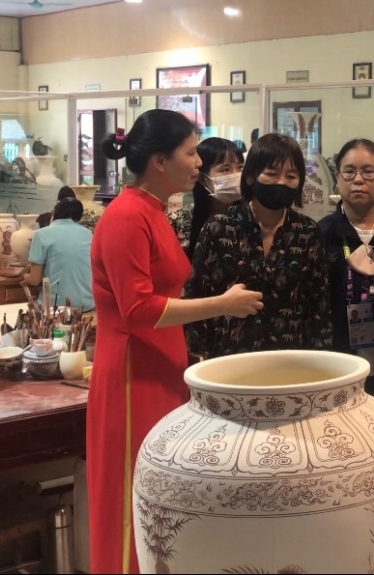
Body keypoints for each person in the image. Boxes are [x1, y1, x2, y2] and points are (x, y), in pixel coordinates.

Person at [87, 109, 265, 574]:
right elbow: (139, 310)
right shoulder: (127, 215)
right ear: (160, 160)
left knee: (161, 497)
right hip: (132, 371)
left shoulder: (154, 210)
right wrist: (222, 304)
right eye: (191, 153)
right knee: (135, 495)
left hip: (160, 365)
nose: (199, 163)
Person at [184, 133, 331, 359]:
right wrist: (196, 356)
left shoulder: (308, 232)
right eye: (271, 173)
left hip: (290, 361)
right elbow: (196, 294)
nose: (281, 181)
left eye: (291, 175)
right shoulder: (218, 228)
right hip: (226, 360)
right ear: (251, 176)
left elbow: (318, 304)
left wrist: (320, 361)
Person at [318, 138, 374, 404]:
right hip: (335, 358)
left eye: (368, 172)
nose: (358, 180)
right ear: (337, 178)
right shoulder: (320, 235)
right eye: (349, 171)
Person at [168, 137, 244, 257]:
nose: (236, 175)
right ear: (203, 178)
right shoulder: (182, 221)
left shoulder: (250, 216)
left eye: (240, 167)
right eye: (226, 169)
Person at [21, 197, 94, 313]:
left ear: (54, 213)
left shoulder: (41, 234)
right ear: (79, 216)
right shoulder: (89, 234)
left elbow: (34, 280)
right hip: (87, 305)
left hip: (55, 308)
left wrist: (23, 275)